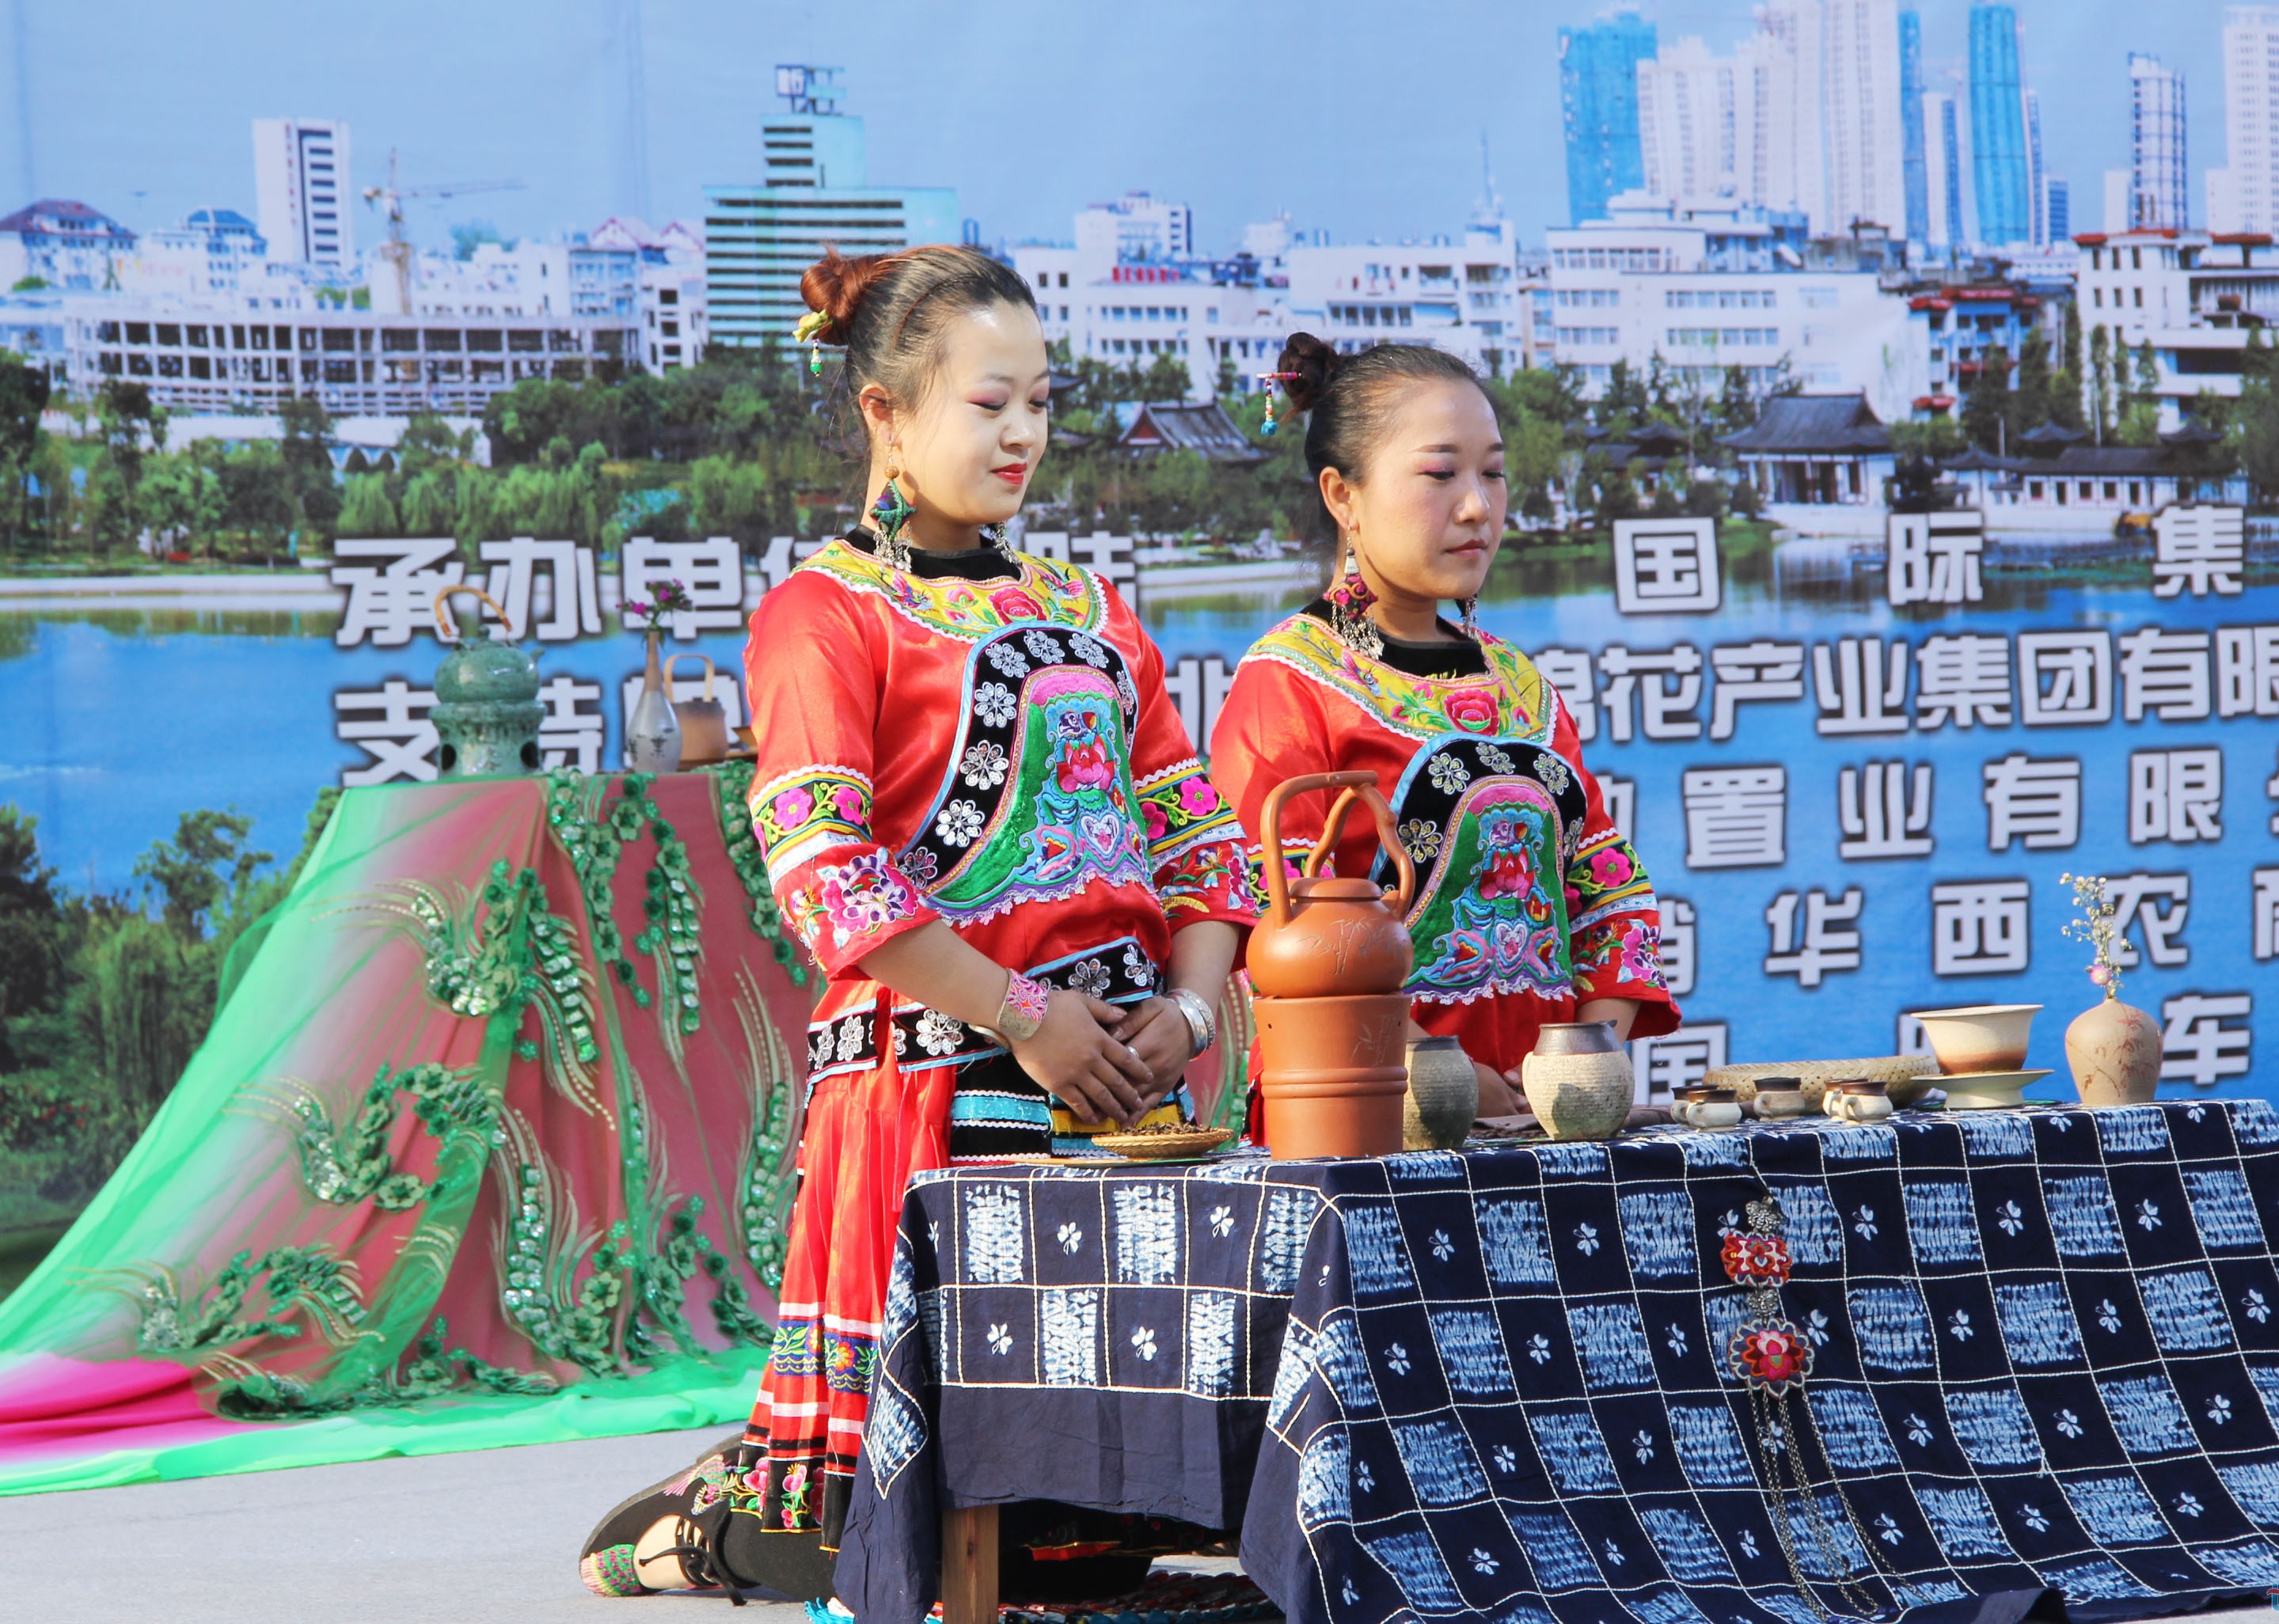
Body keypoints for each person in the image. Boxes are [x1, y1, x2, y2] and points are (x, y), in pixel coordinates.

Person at [579, 245, 1257, 1599]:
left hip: (1123, 1094)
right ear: (885, 412)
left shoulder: (1089, 610)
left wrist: (1185, 1015)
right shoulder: (823, 615)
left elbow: (1202, 851)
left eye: (1041, 403)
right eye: (988, 403)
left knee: (1107, 1516)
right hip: (936, 1093)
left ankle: (764, 1483)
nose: (1023, 434)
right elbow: (827, 874)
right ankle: (700, 1529)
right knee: (916, 1513)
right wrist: (1024, 1013)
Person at [1209, 334, 1679, 1118]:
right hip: (1362, 1116)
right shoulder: (1291, 682)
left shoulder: (1522, 687)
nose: (1477, 507)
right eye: (1440, 474)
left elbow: (1607, 891)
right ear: (1343, 496)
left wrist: (1581, 1061)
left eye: (1493, 473)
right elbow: (1276, 928)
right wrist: (1431, 1069)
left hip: (1541, 1122)